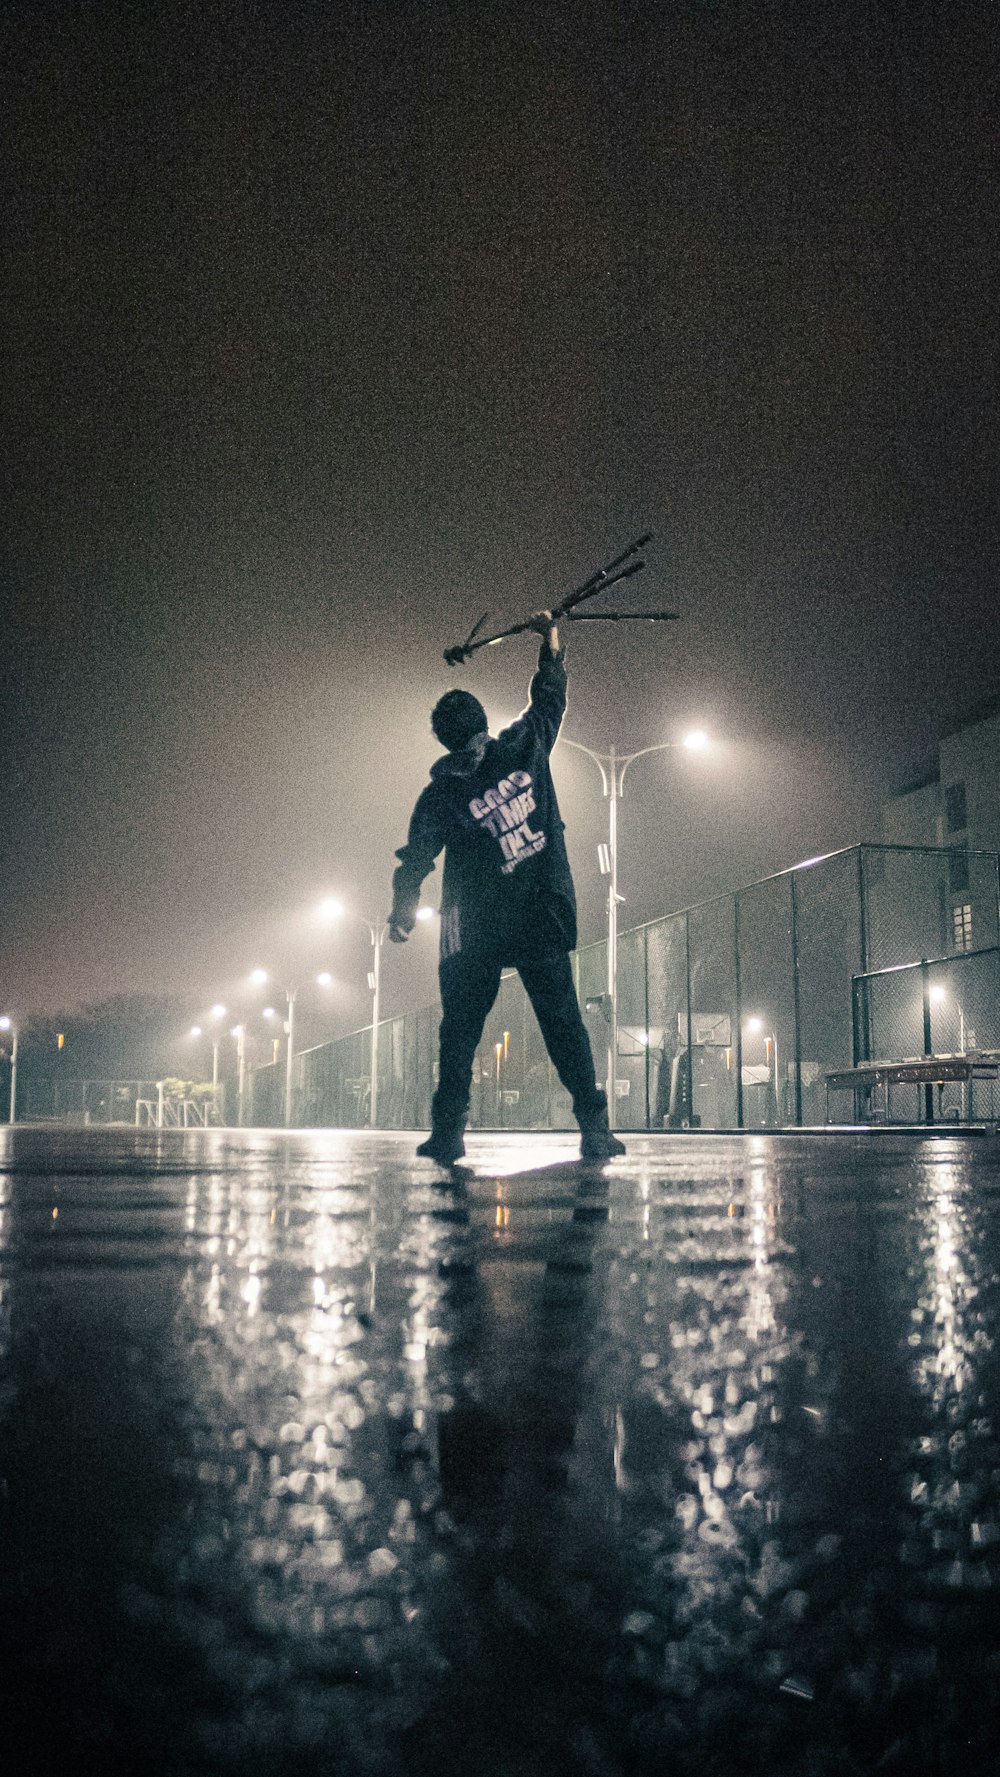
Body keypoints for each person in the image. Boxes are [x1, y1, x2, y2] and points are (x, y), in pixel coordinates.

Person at [387, 611, 625, 1165]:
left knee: (561, 1019)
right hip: (476, 924)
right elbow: (417, 854)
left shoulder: (522, 746)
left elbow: (548, 698)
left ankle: (594, 1126)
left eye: (473, 743)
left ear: (482, 732)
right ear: (448, 747)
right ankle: (448, 1131)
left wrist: (550, 639)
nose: (470, 756)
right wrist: (404, 906)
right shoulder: (442, 793)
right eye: (460, 750)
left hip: (535, 911)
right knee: (460, 1030)